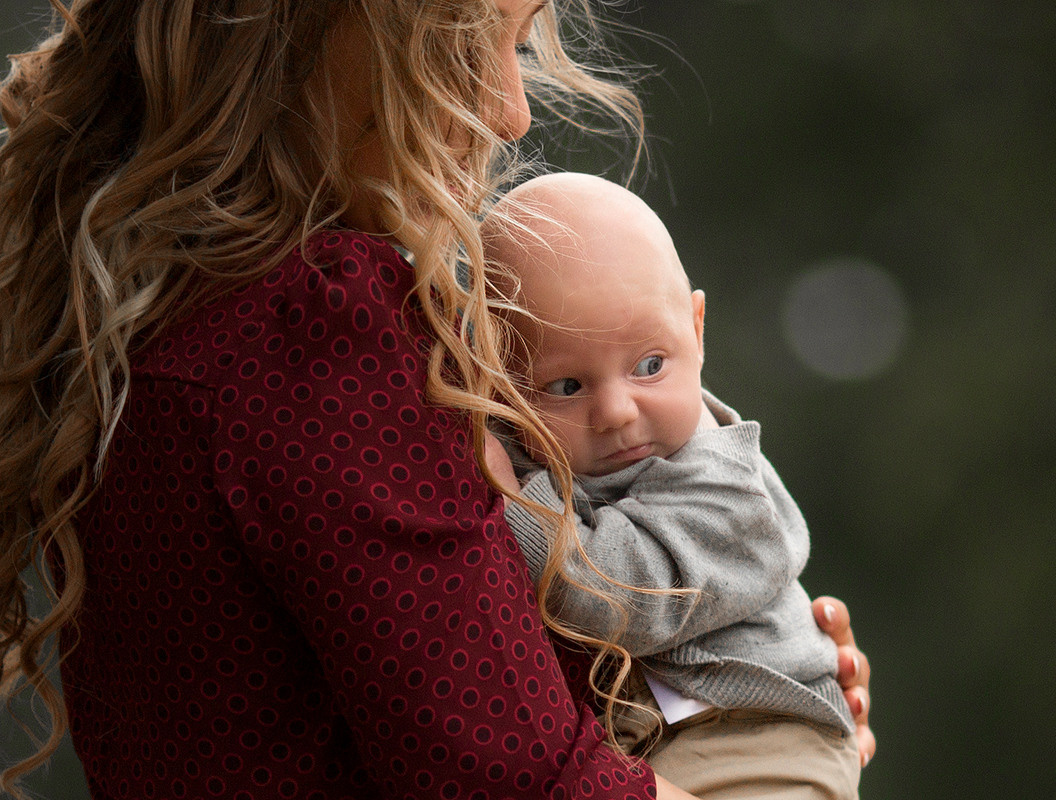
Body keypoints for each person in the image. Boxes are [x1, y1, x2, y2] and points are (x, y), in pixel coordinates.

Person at [0, 2, 873, 799]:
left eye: (518, 46)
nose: (511, 109)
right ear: (313, 35)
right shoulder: (315, 324)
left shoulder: (154, 312)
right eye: (463, 46)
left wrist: (738, 678)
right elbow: (517, 776)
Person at [482, 172, 859, 799]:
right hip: (657, 744)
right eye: (566, 387)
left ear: (698, 327)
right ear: (501, 386)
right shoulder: (543, 447)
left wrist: (511, 497)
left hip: (761, 738)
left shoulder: (726, 488)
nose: (618, 411)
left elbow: (611, 595)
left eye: (649, 366)